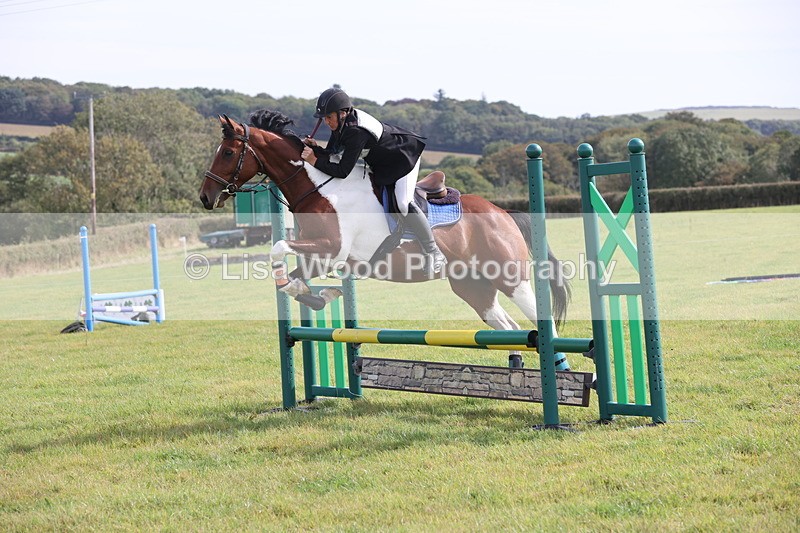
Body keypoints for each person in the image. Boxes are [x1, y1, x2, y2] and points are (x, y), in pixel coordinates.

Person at [301, 87, 447, 275]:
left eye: (329, 117)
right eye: (324, 118)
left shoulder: (355, 131)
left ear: (343, 113)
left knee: (402, 203)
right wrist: (317, 150)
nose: (326, 121)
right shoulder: (342, 125)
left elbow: (343, 170)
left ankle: (433, 251)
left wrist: (313, 159)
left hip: (403, 159)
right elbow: (333, 154)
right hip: (383, 164)